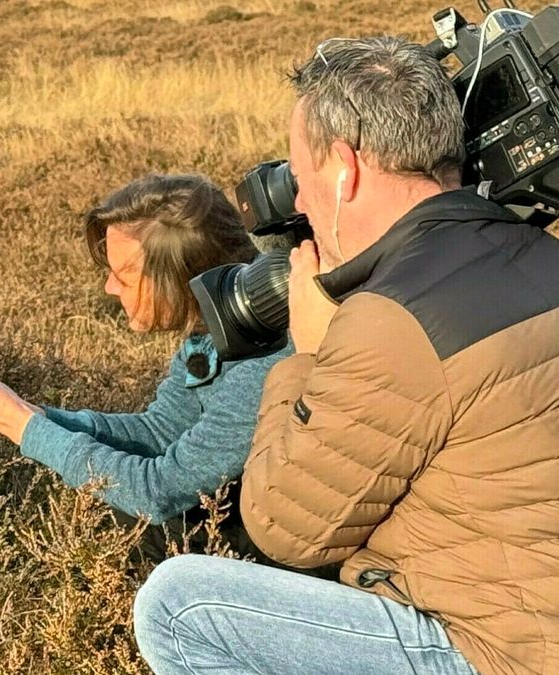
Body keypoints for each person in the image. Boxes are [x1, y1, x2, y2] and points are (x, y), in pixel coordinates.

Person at [133, 37, 559, 675]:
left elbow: (284, 527)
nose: (299, 204)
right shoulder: (539, 251)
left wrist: (310, 353)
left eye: (300, 179)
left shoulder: (393, 318)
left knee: (179, 605)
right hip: (534, 614)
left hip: (496, 652)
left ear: (345, 166)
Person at [0, 174, 291, 546]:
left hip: (284, 560)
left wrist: (20, 425)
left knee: (126, 512)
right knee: (105, 485)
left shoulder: (264, 365)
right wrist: (32, 413)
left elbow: (159, 491)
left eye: (123, 276)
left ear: (180, 276)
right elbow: (158, 431)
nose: (109, 287)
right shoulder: (217, 324)